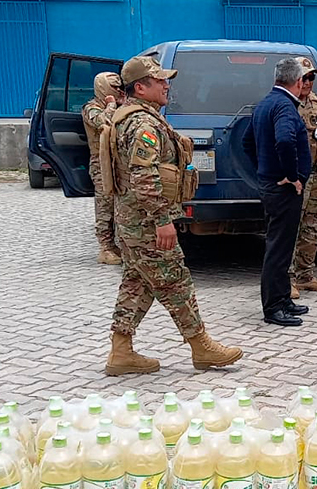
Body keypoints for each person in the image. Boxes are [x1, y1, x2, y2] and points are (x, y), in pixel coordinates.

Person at [103, 56, 243, 374]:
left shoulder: (134, 118)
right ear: (140, 87)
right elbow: (144, 176)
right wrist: (162, 220)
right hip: (145, 223)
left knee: (137, 283)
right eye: (160, 81)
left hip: (131, 221)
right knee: (175, 281)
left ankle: (121, 351)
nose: (167, 85)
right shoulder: (143, 124)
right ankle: (201, 346)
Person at [243, 57, 312, 327]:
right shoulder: (284, 105)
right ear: (297, 82)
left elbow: (247, 142)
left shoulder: (265, 103)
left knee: (283, 245)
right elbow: (285, 139)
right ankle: (273, 307)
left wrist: (262, 169)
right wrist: (291, 176)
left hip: (270, 185)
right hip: (282, 189)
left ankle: (283, 298)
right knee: (278, 248)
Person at [289, 56, 317, 300]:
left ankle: (305, 275)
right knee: (291, 226)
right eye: (303, 77)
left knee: (314, 226)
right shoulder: (286, 103)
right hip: (296, 174)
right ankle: (286, 278)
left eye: (311, 78)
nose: (307, 82)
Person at [83, 72, 124, 265]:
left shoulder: (118, 104)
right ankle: (105, 247)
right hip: (101, 162)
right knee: (105, 204)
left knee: (118, 203)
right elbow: (103, 122)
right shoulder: (91, 107)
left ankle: (115, 244)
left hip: (117, 161)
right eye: (114, 87)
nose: (117, 90)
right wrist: (111, 105)